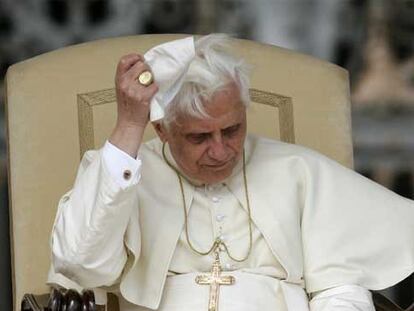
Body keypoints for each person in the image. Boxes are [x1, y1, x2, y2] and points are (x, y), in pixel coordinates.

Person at [48, 34, 414, 311]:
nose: (221, 150)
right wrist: (129, 123)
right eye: (199, 136)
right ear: (161, 129)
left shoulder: (299, 172)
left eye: (232, 129)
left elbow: (341, 288)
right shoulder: (123, 174)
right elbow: (81, 263)